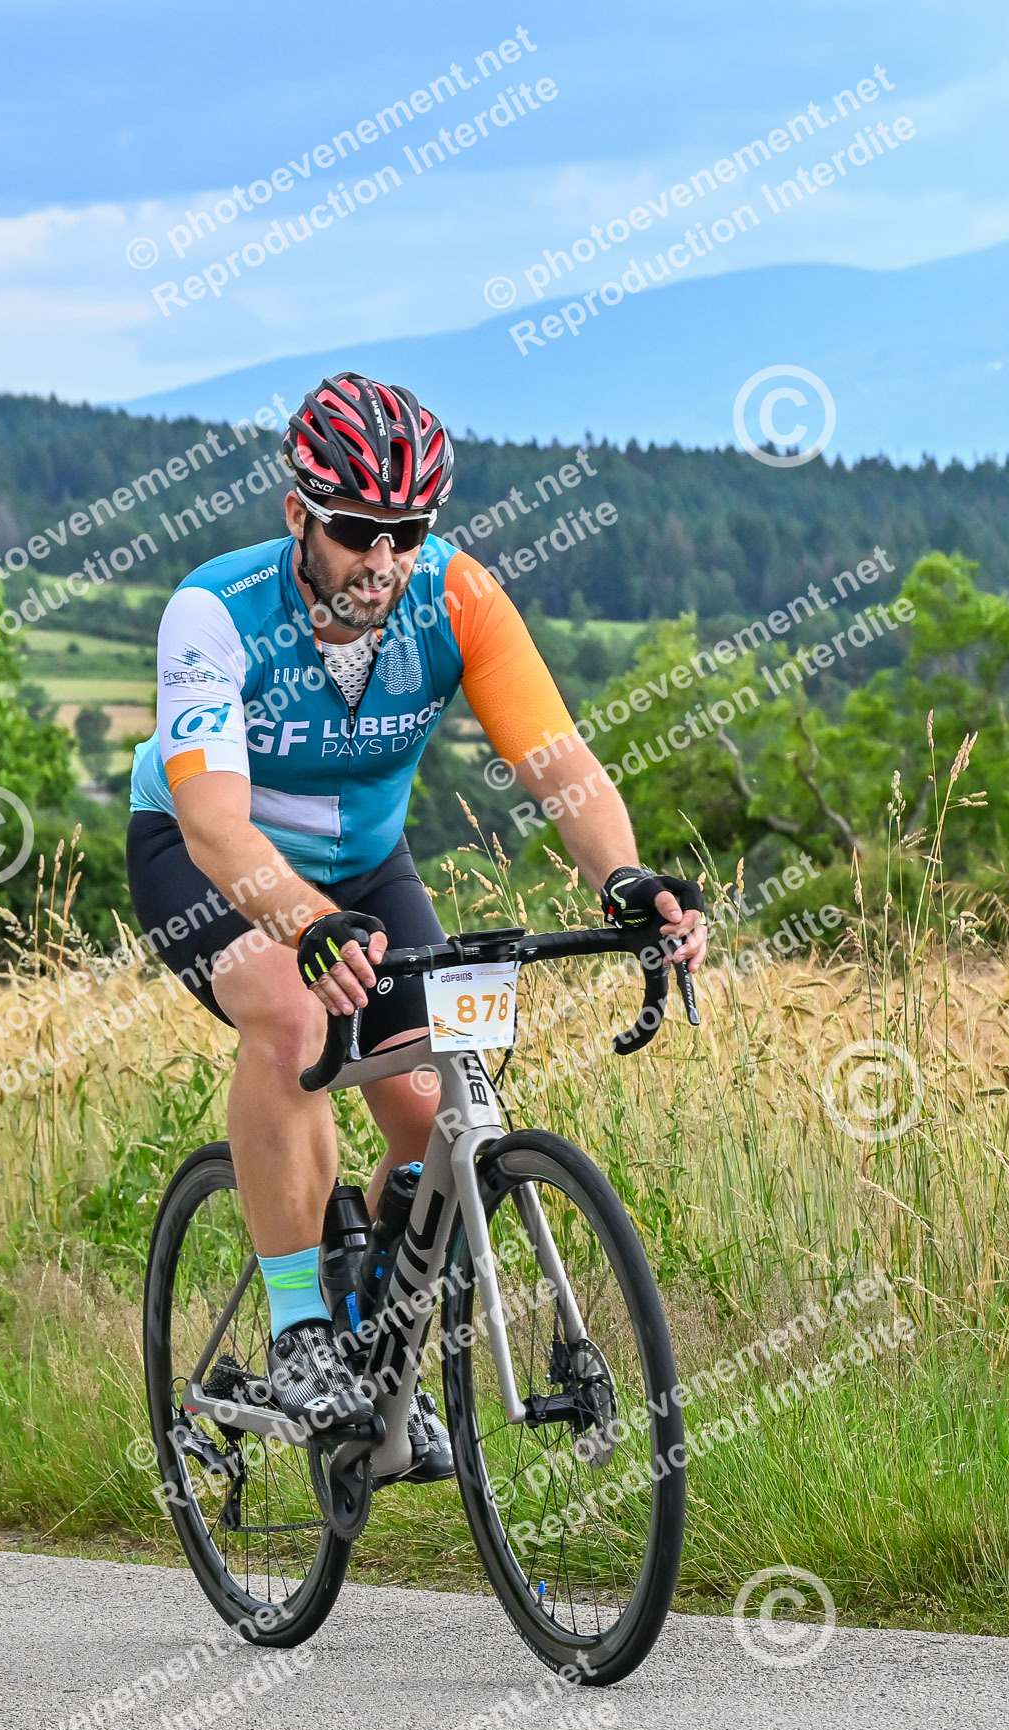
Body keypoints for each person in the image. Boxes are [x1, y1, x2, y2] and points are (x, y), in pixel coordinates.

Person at [127, 372, 705, 1473]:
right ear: (298, 515)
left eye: (408, 532)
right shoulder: (215, 611)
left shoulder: (457, 596)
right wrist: (306, 926)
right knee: (294, 1021)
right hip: (206, 859)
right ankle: (300, 1331)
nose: (382, 560)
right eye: (356, 531)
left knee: (436, 1102)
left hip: (364, 866)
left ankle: (378, 1349)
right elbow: (213, 822)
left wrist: (624, 879)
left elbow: (559, 764)